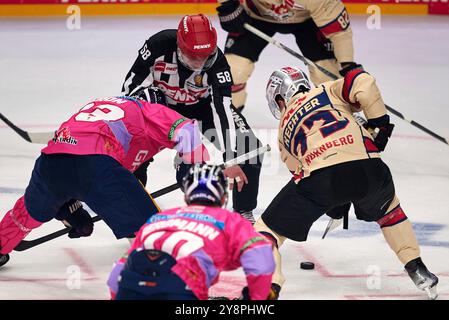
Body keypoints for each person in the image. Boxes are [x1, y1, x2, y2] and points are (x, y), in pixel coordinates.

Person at [253, 66, 439, 299]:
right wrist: (379, 122)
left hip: (321, 177)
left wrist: (335, 203)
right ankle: (417, 267)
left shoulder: (283, 131)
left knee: (265, 230)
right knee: (390, 212)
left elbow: (300, 174)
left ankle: (270, 285)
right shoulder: (326, 90)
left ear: (280, 98)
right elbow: (363, 80)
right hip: (370, 169)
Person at [0, 87, 208, 268]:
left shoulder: (102, 104)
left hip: (50, 163)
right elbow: (187, 130)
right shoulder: (149, 108)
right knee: (150, 231)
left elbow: (73, 159)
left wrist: (68, 207)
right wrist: (191, 170)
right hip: (95, 165)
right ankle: (170, 285)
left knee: (27, 211)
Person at [121, 14, 263, 223]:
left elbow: (222, 108)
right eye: (193, 56)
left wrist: (231, 156)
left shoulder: (218, 63)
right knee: (134, 157)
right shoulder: (157, 45)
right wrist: (146, 124)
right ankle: (134, 212)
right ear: (179, 46)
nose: (200, 62)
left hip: (203, 108)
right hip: (162, 111)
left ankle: (243, 210)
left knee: (249, 149)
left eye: (205, 56)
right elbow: (130, 90)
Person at [107, 164, 276, 300]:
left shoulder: (158, 219)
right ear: (223, 197)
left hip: (130, 286)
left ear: (187, 196)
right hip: (180, 289)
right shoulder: (229, 221)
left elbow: (117, 274)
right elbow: (261, 261)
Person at [216, 0, 357, 111]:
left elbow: (339, 33)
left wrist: (347, 64)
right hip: (256, 16)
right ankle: (231, 109)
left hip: (307, 21)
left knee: (326, 73)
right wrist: (228, 4)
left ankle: (337, 111)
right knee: (234, 70)